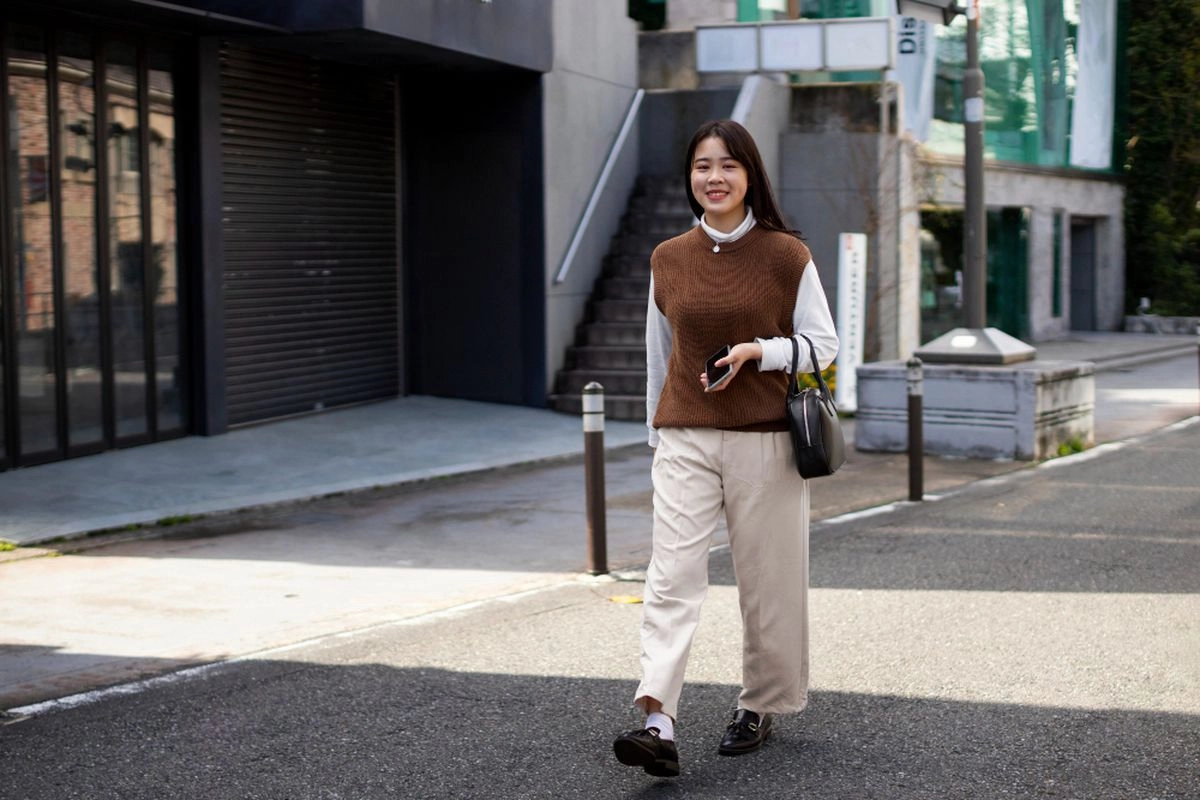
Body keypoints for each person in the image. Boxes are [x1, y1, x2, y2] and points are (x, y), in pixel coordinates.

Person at [612, 119, 839, 778]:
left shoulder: (784, 255)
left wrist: (758, 352)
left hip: (765, 440)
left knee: (768, 584)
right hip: (684, 438)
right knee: (670, 577)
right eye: (702, 166)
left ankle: (761, 704)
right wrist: (657, 433)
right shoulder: (668, 258)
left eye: (728, 166)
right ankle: (657, 720)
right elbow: (662, 355)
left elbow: (822, 345)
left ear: (749, 175)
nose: (714, 177)